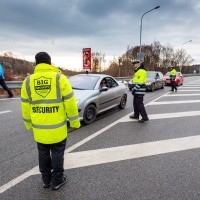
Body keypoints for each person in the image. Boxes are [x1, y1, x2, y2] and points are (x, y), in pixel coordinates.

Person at [21, 52, 80, 190]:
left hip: (39, 130)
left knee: (42, 153)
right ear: (49, 63)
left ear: (36, 64)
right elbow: (70, 103)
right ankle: (57, 180)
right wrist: (75, 122)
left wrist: (28, 124)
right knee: (58, 153)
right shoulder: (60, 78)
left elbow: (25, 105)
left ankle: (46, 180)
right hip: (57, 129)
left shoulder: (28, 81)